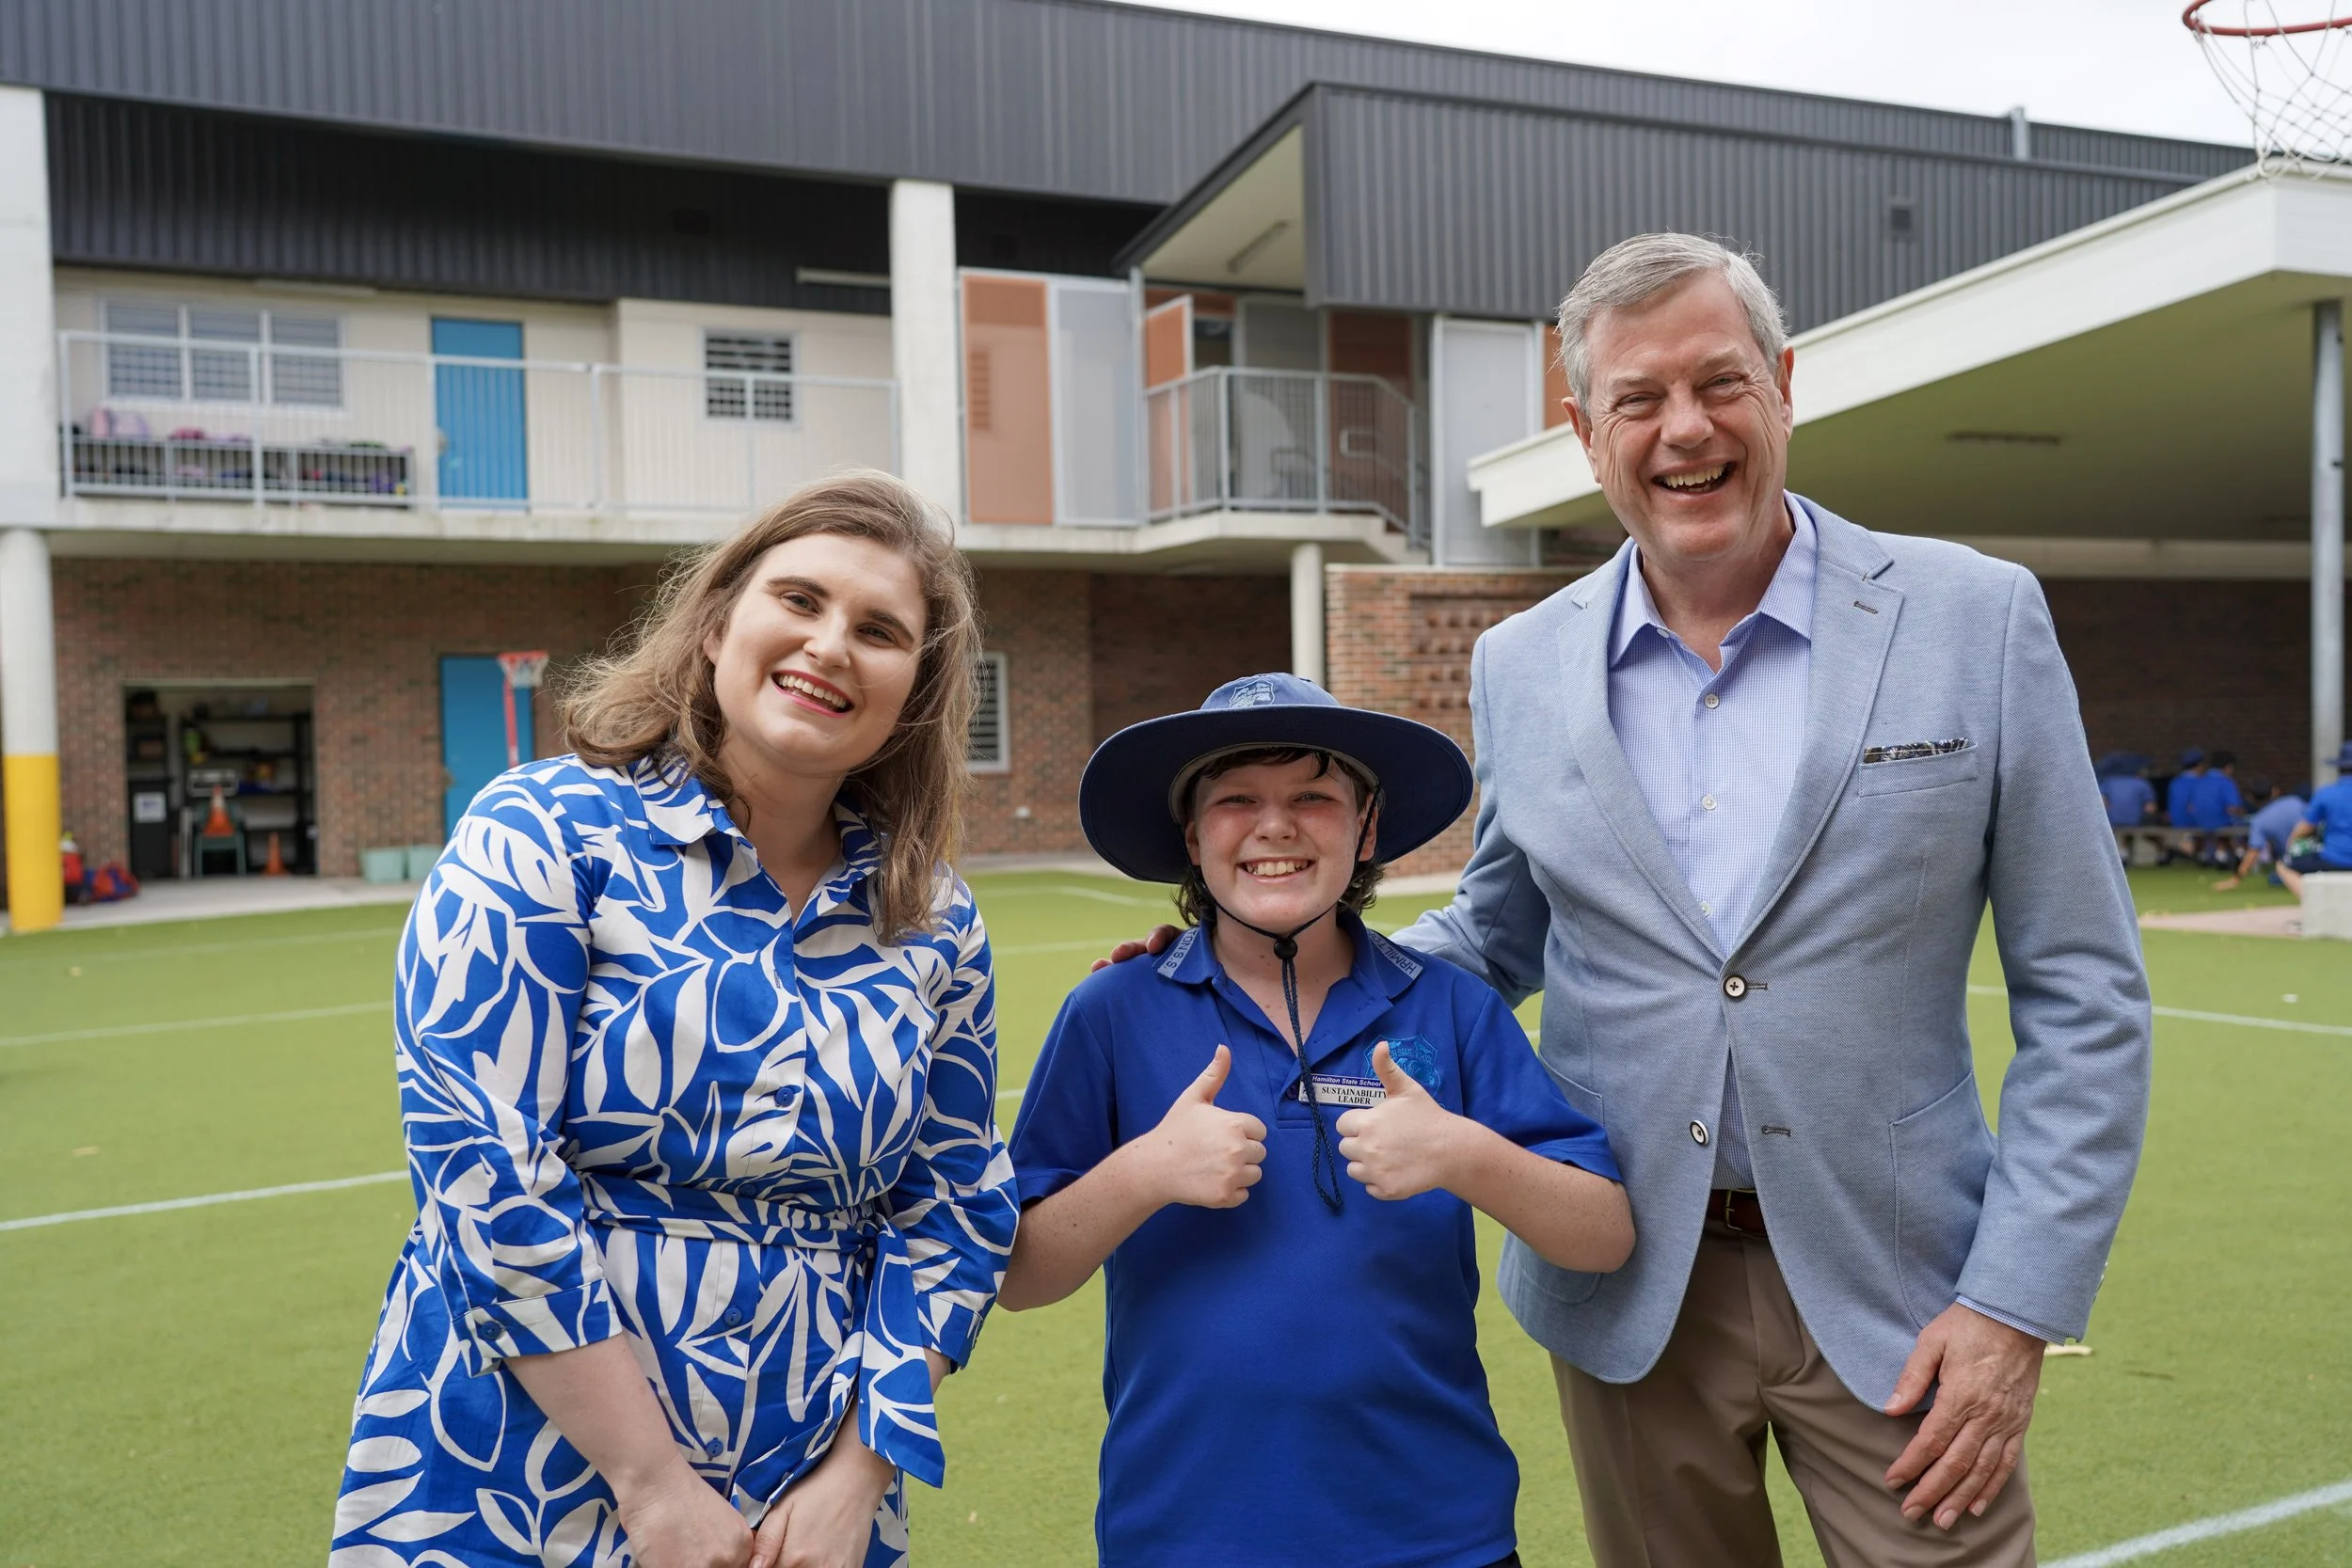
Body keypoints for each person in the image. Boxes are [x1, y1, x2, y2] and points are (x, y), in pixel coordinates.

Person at [1101, 233, 2151, 1566]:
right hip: (1627, 1282)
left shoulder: (1976, 617)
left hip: (1904, 1284)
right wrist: (1260, 958)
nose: (1686, 430)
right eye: (1640, 400)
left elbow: (2088, 989)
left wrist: (2013, 1302)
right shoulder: (1521, 661)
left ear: (1783, 381)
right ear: (1585, 430)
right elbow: (1493, 930)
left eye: (1720, 383)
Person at [334, 473, 1020, 1568]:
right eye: (799, 599)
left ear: (917, 689)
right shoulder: (545, 832)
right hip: (525, 1460)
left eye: (879, 630)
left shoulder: (932, 918)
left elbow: (955, 1209)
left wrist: (858, 1472)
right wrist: (651, 1484)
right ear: (715, 627)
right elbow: (481, 1164)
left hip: (805, 1496)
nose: (832, 645)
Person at [1010, 673, 1632, 1568]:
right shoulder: (1111, 1011)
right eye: (1236, 801)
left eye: (1314, 796)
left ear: (1367, 826)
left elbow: (1603, 1234)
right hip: (1185, 1532)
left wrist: (1465, 1154)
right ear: (1192, 835)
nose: (1276, 825)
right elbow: (1021, 1273)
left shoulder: (1450, 1009)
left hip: (1436, 1531)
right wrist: (1145, 1171)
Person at [2212, 779, 2302, 894]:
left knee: (2276, 877)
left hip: (2294, 860)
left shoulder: (2259, 821)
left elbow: (2253, 851)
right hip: (2318, 853)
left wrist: (2236, 879)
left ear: (2250, 798)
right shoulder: (2294, 802)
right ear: (2275, 791)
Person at [2286, 740, 2352, 888]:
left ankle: (2312, 903)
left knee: (2284, 866)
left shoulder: (2326, 794)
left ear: (2339, 768)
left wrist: (2289, 843)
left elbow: (2306, 827)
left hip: (2334, 859)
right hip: (2335, 860)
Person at [2188, 749, 2245, 864]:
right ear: (2228, 766)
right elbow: (2233, 808)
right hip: (2219, 823)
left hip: (2198, 823)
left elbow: (2191, 807)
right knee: (2239, 822)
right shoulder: (2226, 782)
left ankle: (2210, 855)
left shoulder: (2199, 781)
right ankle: (2239, 854)